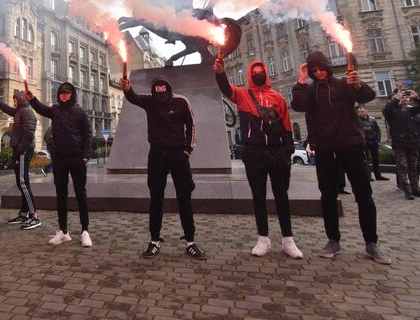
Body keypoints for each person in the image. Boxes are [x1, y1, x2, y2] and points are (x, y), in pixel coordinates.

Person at [291, 51, 391, 265]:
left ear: (327, 66)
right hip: (325, 149)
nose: (318, 73)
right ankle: (333, 239)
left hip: (351, 145)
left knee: (364, 195)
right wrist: (299, 82)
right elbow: (298, 106)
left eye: (321, 68)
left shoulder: (344, 83)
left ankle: (371, 243)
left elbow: (367, 96)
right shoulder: (309, 90)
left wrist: (357, 85)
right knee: (327, 196)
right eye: (314, 70)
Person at [213, 58, 303, 259]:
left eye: (261, 71)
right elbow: (226, 88)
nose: (258, 74)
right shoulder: (243, 95)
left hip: (277, 152)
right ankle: (263, 238)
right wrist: (219, 72)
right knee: (258, 196)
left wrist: (287, 152)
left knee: (282, 196)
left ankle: (288, 239)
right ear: (250, 75)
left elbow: (287, 126)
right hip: (254, 153)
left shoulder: (277, 97)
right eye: (255, 72)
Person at [121, 74, 207, 259]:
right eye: (157, 95)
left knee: (184, 198)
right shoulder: (150, 101)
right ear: (153, 92)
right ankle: (154, 241)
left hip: (178, 155)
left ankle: (190, 242)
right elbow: (134, 98)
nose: (161, 99)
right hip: (157, 154)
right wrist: (127, 88)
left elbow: (191, 126)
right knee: (156, 199)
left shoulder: (181, 102)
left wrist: (187, 151)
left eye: (163, 94)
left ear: (168, 90)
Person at [26, 82, 93, 247]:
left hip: (77, 158)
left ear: (72, 94)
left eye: (67, 93)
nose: (64, 95)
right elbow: (42, 109)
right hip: (60, 159)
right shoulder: (55, 110)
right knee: (61, 195)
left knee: (81, 195)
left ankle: (85, 231)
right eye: (61, 93)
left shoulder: (80, 112)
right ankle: (63, 231)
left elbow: (88, 134)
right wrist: (32, 99)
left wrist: (85, 156)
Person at [0, 88, 42, 230]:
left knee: (23, 183)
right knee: (21, 183)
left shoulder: (27, 112)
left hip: (23, 151)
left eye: (15, 99)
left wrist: (21, 149)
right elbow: (6, 109)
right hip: (19, 150)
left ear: (21, 100)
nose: (13, 102)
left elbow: (29, 133)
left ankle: (34, 215)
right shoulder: (19, 111)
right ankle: (24, 213)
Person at [382, 90, 420, 200]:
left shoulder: (410, 110)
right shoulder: (392, 111)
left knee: (413, 167)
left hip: (412, 143)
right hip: (400, 145)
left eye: (406, 97)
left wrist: (417, 97)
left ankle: (416, 188)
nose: (404, 98)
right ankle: (407, 190)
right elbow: (386, 110)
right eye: (402, 97)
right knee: (403, 167)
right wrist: (396, 98)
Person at [357, 106, 387, 181]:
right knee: (366, 160)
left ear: (367, 111)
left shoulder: (372, 120)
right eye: (359, 112)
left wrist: (377, 140)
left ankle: (378, 175)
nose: (361, 113)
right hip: (364, 143)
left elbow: (378, 130)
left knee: (376, 159)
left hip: (373, 142)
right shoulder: (357, 121)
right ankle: (368, 176)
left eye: (362, 111)